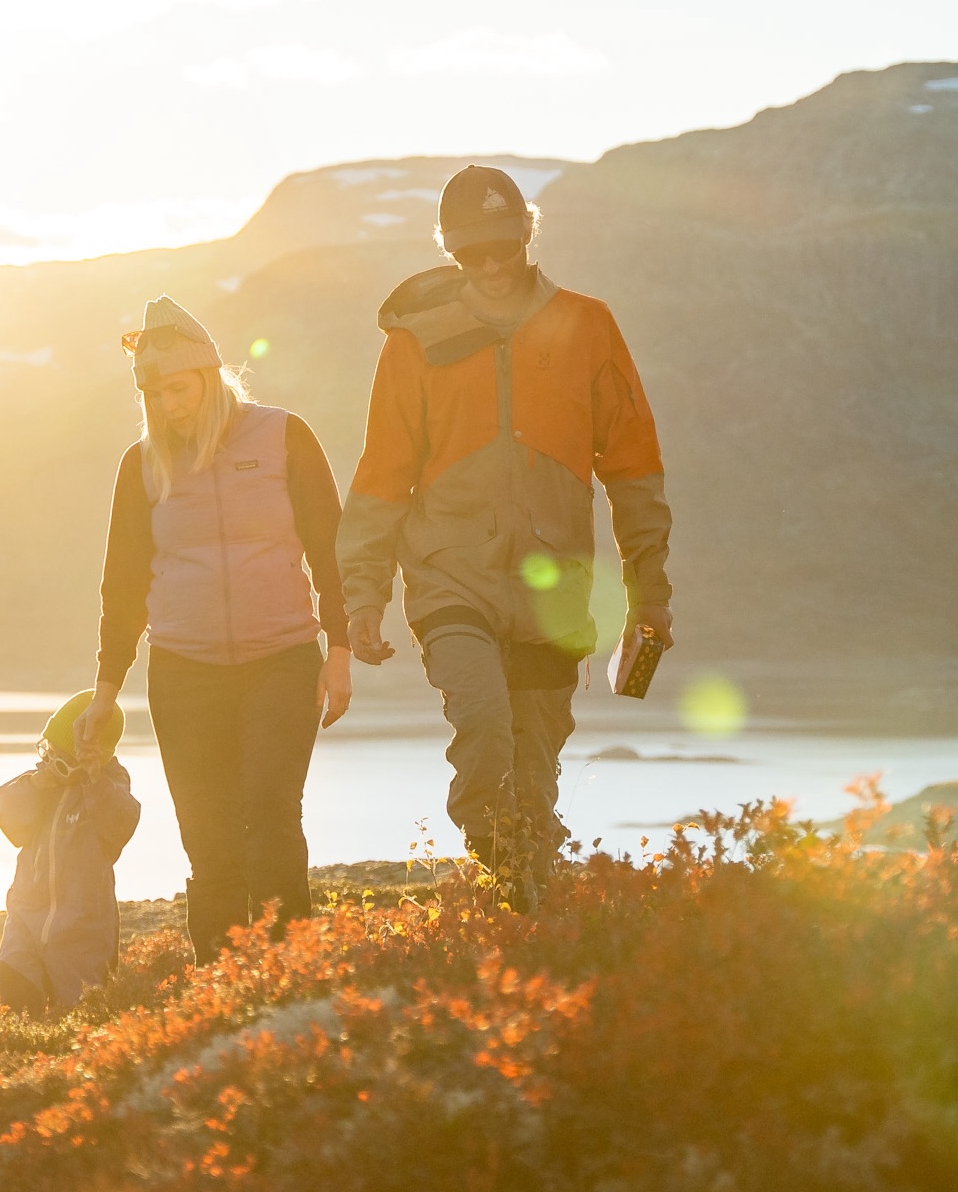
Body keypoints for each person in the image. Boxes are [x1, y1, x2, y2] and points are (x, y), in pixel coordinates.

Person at [336, 165, 673, 908]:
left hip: (555, 587)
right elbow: (382, 475)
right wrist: (361, 595)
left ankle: (524, 913)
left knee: (536, 768)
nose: (489, 265)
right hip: (450, 573)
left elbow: (634, 469)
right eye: (469, 252)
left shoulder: (589, 325)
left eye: (501, 245)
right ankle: (506, 870)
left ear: (528, 232)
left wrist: (651, 595)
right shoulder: (416, 342)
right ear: (449, 250)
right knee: (485, 727)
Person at [75, 296, 353, 963]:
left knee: (271, 815)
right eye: (155, 393)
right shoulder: (140, 465)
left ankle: (292, 970)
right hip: (183, 673)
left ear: (209, 373)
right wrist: (105, 690)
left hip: (282, 659)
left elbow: (331, 548)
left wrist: (339, 649)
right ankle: (224, 982)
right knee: (208, 839)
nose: (171, 405)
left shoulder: (284, 436)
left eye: (180, 387)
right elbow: (123, 585)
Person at [0, 688, 141, 1016]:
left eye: (59, 756)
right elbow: (6, 814)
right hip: (26, 917)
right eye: (47, 752)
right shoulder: (41, 783)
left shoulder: (109, 788)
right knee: (10, 994)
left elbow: (122, 824)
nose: (48, 761)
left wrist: (94, 781)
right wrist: (32, 786)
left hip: (81, 927)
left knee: (75, 1010)